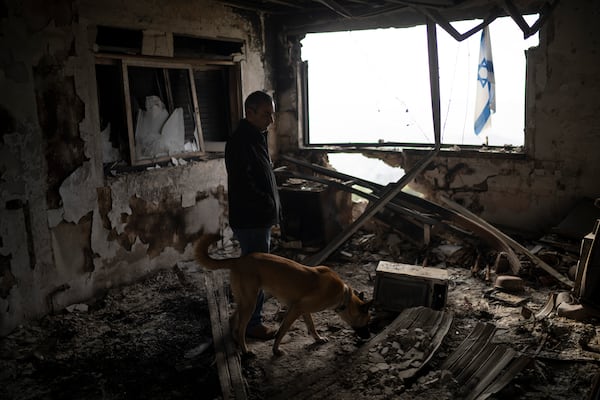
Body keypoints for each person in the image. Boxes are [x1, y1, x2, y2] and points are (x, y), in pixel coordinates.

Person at [224, 90, 281, 340]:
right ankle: (252, 324)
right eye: (267, 114)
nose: (271, 119)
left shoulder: (257, 136)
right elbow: (245, 185)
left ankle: (244, 317)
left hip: (257, 218)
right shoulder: (241, 142)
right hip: (252, 220)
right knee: (256, 274)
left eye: (273, 113)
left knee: (252, 271)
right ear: (251, 112)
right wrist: (267, 204)